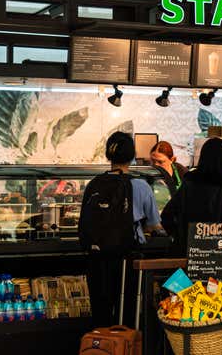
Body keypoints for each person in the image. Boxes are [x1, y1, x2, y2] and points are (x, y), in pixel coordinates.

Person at [82, 131, 163, 327]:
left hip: (97, 258)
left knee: (100, 313)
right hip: (127, 259)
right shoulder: (141, 186)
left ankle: (101, 346)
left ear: (109, 155)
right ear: (131, 156)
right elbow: (154, 224)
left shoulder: (94, 184)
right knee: (127, 311)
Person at [161, 137, 222, 256]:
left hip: (187, 254)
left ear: (202, 158)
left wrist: (180, 236)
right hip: (219, 257)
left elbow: (166, 215)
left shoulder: (189, 182)